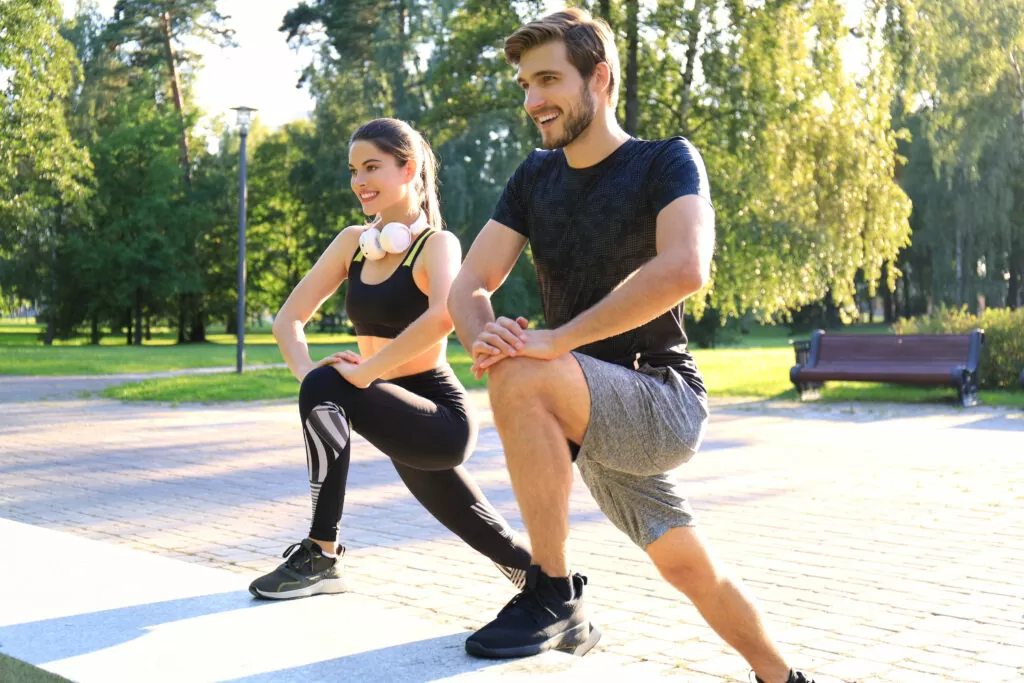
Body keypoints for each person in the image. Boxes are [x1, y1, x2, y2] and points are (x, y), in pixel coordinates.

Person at [447, 10, 815, 683]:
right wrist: (483, 333)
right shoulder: (535, 176)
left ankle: (552, 590)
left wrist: (552, 341)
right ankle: (784, 678)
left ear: (601, 78)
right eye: (526, 85)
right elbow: (469, 283)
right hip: (585, 406)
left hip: (660, 399)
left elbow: (686, 266)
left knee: (528, 369)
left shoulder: (665, 161)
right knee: (688, 566)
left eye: (550, 80)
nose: (533, 101)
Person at [249, 117, 531, 600]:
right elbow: (286, 321)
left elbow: (443, 316)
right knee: (482, 528)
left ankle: (322, 551)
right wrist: (309, 377)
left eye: (372, 167)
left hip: (438, 415)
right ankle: (548, 583)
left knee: (330, 384)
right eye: (353, 169)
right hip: (384, 405)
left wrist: (362, 375)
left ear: (410, 169)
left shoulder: (436, 245)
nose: (359, 180)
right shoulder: (352, 245)